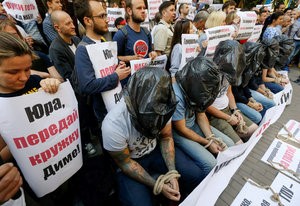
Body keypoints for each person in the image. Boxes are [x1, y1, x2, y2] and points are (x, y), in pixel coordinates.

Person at [102, 67, 203, 206]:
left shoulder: (164, 106)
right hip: (131, 160)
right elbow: (125, 163)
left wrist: (172, 172)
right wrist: (157, 185)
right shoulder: (113, 125)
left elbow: (166, 137)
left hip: (155, 152)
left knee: (195, 174)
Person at [0, 32, 61, 205]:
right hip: (29, 179)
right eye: (13, 72)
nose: (24, 77)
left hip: (59, 161)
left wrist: (53, 86)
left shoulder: (34, 82)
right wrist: (25, 135)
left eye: (27, 69)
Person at [172, 56, 235, 178]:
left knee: (230, 145)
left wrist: (210, 137)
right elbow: (182, 129)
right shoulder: (177, 96)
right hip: (179, 132)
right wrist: (207, 143)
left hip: (193, 124)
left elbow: (200, 114)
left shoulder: (199, 88)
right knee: (209, 164)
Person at [73, 0, 130, 123]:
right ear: (88, 21)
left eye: (105, 15)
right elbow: (87, 86)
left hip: (118, 106)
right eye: (101, 16)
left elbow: (108, 72)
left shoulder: (103, 42)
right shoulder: (83, 50)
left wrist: (119, 67)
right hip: (104, 116)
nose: (107, 20)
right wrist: (116, 76)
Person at [49, 10, 97, 155]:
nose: (73, 25)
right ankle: (86, 142)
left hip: (89, 85)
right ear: (57, 28)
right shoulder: (55, 49)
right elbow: (68, 76)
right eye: (68, 23)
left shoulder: (77, 40)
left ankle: (96, 133)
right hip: (76, 92)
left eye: (72, 21)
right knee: (82, 119)